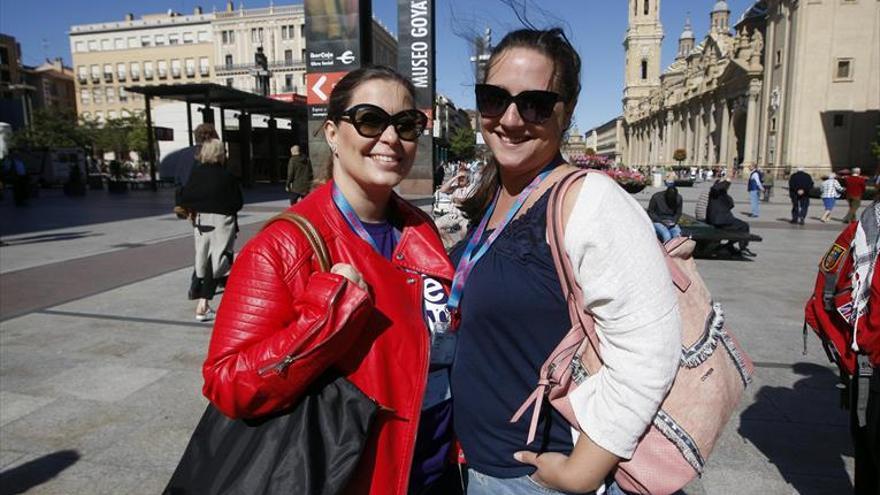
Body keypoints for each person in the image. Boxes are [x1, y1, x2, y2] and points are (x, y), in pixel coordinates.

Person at [201, 66, 459, 495]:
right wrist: (323, 319)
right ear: (333, 133)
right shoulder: (285, 245)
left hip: (432, 464)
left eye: (407, 124)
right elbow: (227, 382)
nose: (391, 138)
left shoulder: (419, 227)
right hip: (354, 473)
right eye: (370, 120)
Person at [451, 28, 681, 495]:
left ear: (567, 111)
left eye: (535, 103)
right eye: (494, 98)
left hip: (533, 477)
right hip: (482, 461)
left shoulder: (590, 200)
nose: (511, 119)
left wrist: (582, 472)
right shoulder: (499, 192)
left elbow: (650, 351)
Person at [178, 139, 243, 321]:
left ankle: (202, 300)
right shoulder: (226, 175)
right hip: (222, 221)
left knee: (202, 258)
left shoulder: (196, 173)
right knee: (219, 260)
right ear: (221, 153)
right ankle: (203, 305)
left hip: (201, 220)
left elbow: (186, 196)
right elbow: (238, 202)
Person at [706, 179, 756, 256]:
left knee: (742, 226)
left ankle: (730, 245)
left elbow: (731, 205)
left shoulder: (718, 194)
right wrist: (727, 181)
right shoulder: (716, 193)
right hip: (721, 221)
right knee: (744, 226)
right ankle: (741, 248)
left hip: (721, 220)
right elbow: (716, 188)